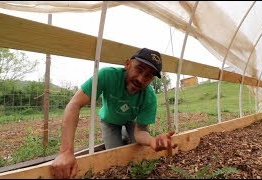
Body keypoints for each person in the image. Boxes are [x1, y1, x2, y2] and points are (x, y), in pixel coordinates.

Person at [51, 48, 178, 178]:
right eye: (139, 70)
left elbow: (141, 132)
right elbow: (74, 104)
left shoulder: (150, 97)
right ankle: (122, 134)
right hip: (109, 121)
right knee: (116, 158)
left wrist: (152, 140)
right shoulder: (107, 75)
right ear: (127, 64)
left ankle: (125, 132)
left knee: (138, 149)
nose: (140, 79)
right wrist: (66, 152)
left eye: (148, 76)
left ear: (151, 80)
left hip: (131, 120)